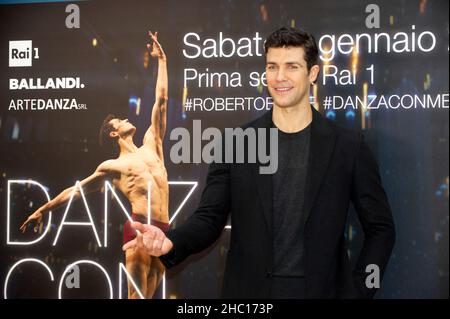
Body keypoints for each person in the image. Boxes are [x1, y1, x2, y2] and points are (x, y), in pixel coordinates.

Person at [122, 26, 396, 299]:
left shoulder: (347, 146)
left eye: (292, 67)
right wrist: (171, 241)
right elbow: (209, 218)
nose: (280, 77)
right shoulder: (235, 143)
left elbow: (381, 229)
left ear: (312, 73)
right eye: (272, 67)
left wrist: (361, 289)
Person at [20, 31, 169, 299]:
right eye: (119, 121)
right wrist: (43, 209)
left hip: (164, 230)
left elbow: (162, 100)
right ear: (114, 134)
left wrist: (162, 61)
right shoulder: (112, 166)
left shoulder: (152, 143)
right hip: (140, 228)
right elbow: (74, 191)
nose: (125, 119)